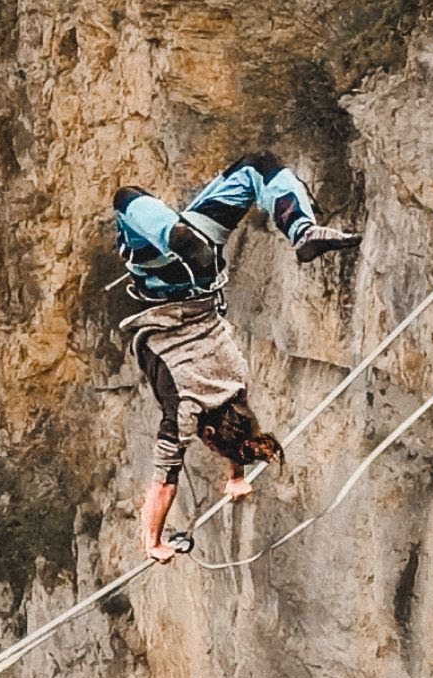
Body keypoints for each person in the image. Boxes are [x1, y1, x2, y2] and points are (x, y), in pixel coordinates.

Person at [113, 150, 360, 563]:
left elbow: (241, 433)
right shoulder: (185, 412)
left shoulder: (237, 384)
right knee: (125, 199)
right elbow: (164, 484)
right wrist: (151, 541)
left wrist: (238, 477)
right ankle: (198, 236)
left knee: (257, 166)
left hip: (204, 273)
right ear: (208, 436)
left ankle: (300, 227)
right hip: (166, 277)